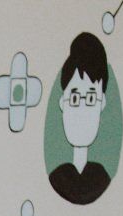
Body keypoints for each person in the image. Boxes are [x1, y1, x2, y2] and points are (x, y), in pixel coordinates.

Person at [48, 33, 114, 205]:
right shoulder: (57, 178)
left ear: (102, 104)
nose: (82, 111)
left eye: (91, 99)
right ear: (63, 103)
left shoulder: (102, 179)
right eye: (75, 99)